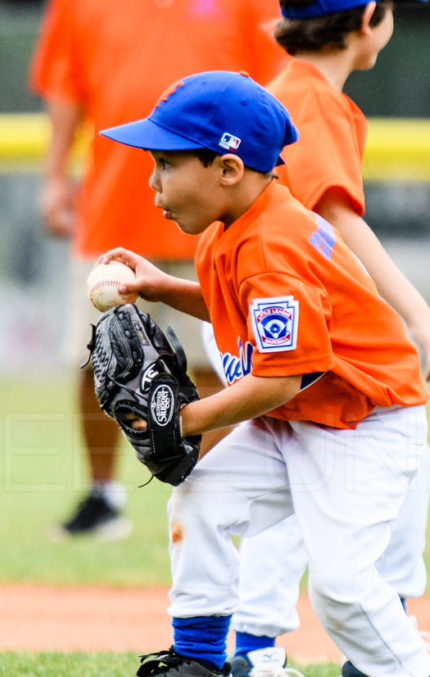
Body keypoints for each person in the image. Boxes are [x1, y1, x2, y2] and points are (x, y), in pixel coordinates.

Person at [94, 70, 430, 677]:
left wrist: (190, 417)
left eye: (167, 164)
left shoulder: (274, 241)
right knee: (199, 496)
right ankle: (201, 669)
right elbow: (243, 313)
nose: (154, 182)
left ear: (228, 168)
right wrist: (161, 287)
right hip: (297, 416)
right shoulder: (237, 224)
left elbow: (284, 371)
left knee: (342, 582)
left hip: (361, 422)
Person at [226, 0, 430, 677]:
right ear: (369, 17)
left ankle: (375, 645)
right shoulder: (310, 95)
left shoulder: (298, 88)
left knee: (355, 471)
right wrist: (418, 315)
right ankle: (251, 651)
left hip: (273, 307)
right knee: (323, 479)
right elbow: (337, 219)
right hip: (295, 316)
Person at [28, 0, 286, 540]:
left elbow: (270, 97)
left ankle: (215, 496)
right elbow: (65, 87)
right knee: (96, 360)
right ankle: (103, 496)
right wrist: (55, 175)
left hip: (215, 215)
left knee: (222, 362)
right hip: (112, 212)